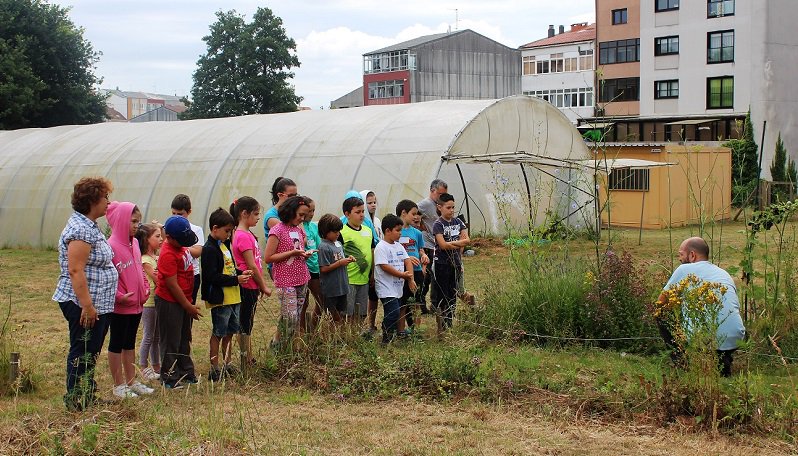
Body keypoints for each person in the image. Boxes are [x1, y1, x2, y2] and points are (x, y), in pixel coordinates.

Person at [53, 177, 118, 411]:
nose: (108, 202)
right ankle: (76, 400)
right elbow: (75, 270)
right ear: (92, 200)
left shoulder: (89, 225)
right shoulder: (80, 230)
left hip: (96, 303)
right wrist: (87, 306)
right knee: (82, 350)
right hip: (82, 303)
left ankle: (86, 394)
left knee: (91, 350)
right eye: (105, 197)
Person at [656, 237, 746, 377]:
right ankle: (723, 363)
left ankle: (682, 363)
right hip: (736, 336)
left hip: (702, 339)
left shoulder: (684, 269)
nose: (679, 259)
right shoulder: (723, 273)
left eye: (681, 254)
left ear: (692, 255)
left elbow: (660, 302)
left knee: (661, 314)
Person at [105, 201, 153, 398]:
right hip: (121, 306)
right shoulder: (110, 246)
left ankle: (132, 381)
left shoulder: (135, 243)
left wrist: (145, 287)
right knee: (116, 343)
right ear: (121, 221)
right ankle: (118, 384)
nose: (136, 226)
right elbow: (109, 276)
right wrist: (119, 297)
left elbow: (139, 269)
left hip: (137, 304)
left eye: (138, 221)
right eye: (133, 221)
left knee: (129, 343)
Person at [201, 208, 252, 382]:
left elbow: (228, 269)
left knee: (230, 331)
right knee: (219, 332)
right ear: (215, 228)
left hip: (234, 296)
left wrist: (240, 273)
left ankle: (227, 363)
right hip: (220, 299)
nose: (229, 235)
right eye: (227, 231)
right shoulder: (209, 249)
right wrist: (236, 279)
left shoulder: (223, 245)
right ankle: (214, 367)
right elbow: (211, 276)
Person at [156, 215, 202, 389]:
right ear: (169, 237)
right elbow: (172, 285)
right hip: (170, 302)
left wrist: (188, 303)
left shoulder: (181, 247)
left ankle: (186, 372)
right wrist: (187, 306)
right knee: (171, 340)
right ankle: (169, 377)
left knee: (184, 337)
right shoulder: (167, 254)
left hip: (184, 300)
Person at [263, 196, 313, 345]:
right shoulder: (277, 230)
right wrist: (292, 253)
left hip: (301, 277)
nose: (302, 218)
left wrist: (304, 254)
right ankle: (278, 344)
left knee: (295, 316)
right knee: (290, 316)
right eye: (300, 215)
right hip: (286, 280)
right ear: (291, 211)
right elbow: (269, 257)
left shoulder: (298, 230)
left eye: (304, 215)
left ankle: (287, 345)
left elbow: (298, 250)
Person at [230, 196, 272, 366]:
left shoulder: (247, 234)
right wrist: (264, 286)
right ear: (244, 214)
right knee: (245, 323)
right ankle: (245, 357)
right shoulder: (242, 236)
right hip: (247, 285)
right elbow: (251, 265)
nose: (258, 217)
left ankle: (248, 356)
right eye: (255, 214)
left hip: (252, 284)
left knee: (248, 321)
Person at [374, 215, 416, 343]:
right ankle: (386, 337)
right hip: (386, 288)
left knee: (395, 312)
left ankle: (390, 335)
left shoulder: (399, 246)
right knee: (393, 312)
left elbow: (407, 261)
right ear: (387, 231)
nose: (400, 233)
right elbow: (384, 266)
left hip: (397, 287)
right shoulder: (381, 247)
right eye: (397, 230)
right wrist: (402, 275)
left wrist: (410, 279)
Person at [432, 193, 469, 333]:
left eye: (453, 207)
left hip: (456, 263)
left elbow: (467, 240)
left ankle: (449, 322)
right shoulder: (438, 224)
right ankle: (441, 325)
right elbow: (442, 245)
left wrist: (451, 243)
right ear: (439, 207)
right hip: (442, 264)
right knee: (443, 294)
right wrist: (458, 242)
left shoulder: (458, 222)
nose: (452, 210)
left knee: (453, 293)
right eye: (448, 207)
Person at [339, 196, 375, 329]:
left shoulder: (368, 231)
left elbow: (372, 251)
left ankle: (357, 334)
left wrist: (372, 274)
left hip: (364, 279)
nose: (361, 215)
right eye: (357, 212)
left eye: (363, 211)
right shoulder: (341, 232)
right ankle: (346, 335)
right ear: (347, 214)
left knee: (361, 312)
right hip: (348, 279)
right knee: (347, 312)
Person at [395, 200, 429, 333]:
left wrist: (423, 255)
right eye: (413, 214)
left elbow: (420, 249)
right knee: (402, 303)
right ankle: (401, 330)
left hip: (417, 271)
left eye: (417, 214)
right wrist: (407, 259)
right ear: (403, 213)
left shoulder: (417, 233)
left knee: (416, 303)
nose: (416, 217)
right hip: (402, 272)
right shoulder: (396, 232)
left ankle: (416, 331)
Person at [416, 179, 448, 314]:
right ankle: (420, 303)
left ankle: (434, 304)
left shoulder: (439, 205)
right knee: (427, 277)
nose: (442, 197)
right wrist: (419, 225)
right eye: (440, 194)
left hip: (437, 245)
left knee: (436, 277)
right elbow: (411, 213)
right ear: (432, 191)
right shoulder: (425, 204)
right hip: (427, 246)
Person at [135, 222, 162, 382]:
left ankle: (156, 366)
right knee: (149, 336)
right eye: (157, 236)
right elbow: (159, 279)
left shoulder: (156, 258)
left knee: (156, 336)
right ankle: (144, 367)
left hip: (157, 302)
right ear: (146, 240)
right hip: (149, 303)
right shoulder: (146, 260)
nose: (161, 239)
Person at [317, 214, 355, 325]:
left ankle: (339, 333)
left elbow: (341, 258)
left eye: (339, 231)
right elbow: (323, 269)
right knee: (330, 316)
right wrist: (340, 263)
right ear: (326, 231)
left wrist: (348, 258)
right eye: (335, 231)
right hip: (331, 289)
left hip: (342, 286)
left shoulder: (338, 243)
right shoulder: (323, 247)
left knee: (341, 314)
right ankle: (330, 334)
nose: (338, 233)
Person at [170, 194, 203, 304]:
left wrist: (180, 246)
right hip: (175, 274)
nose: (176, 217)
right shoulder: (169, 228)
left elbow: (197, 252)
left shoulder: (196, 230)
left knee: (189, 306)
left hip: (192, 275)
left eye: (180, 214)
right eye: (173, 213)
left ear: (189, 212)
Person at [301, 197, 323, 332]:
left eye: (314, 210)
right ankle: (301, 332)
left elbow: (319, 247)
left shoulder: (314, 227)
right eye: (309, 211)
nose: (312, 213)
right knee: (303, 303)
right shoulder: (299, 227)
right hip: (304, 268)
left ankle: (312, 329)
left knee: (321, 300)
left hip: (315, 269)